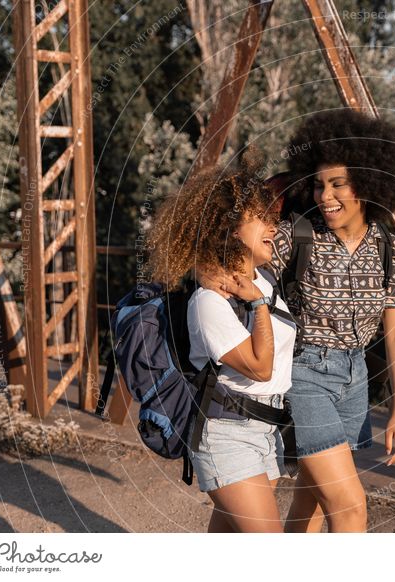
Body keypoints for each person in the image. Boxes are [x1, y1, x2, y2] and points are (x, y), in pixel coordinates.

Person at [206, 109, 395, 532]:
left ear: (369, 184)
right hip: (304, 374)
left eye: (339, 184)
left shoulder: (389, 247)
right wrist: (208, 272)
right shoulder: (300, 234)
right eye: (319, 184)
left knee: (314, 503)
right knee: (350, 507)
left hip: (355, 379)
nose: (326, 195)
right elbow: (238, 260)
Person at [146, 154, 296, 533]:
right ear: (230, 228)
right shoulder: (210, 301)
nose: (273, 227)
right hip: (227, 433)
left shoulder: (265, 279)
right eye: (261, 219)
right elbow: (260, 368)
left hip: (268, 428)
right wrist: (258, 305)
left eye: (273, 218)